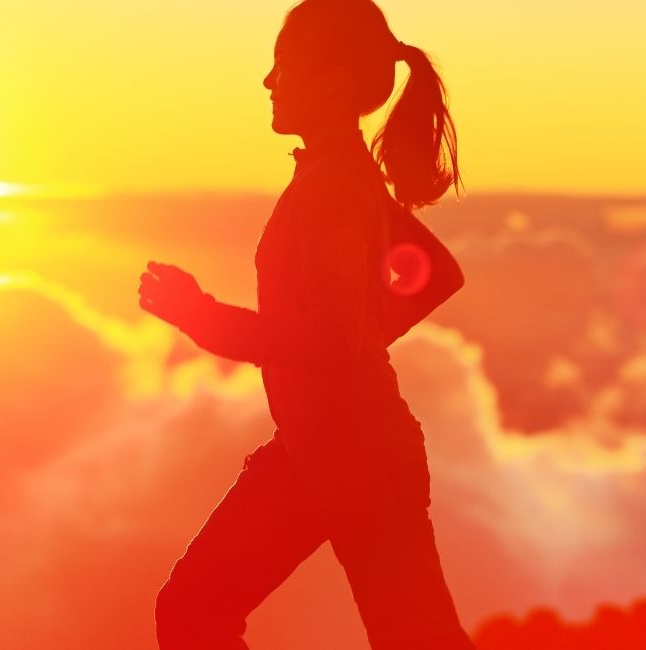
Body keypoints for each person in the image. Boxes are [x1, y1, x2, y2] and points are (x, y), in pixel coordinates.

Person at [137, 1, 473, 647]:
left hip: (356, 457)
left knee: (194, 611)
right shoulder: (342, 175)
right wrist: (359, 339)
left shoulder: (334, 188)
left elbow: (331, 340)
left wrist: (200, 316)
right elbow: (436, 272)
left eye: (285, 66)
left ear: (333, 82)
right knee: (194, 610)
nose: (269, 81)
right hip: (324, 450)